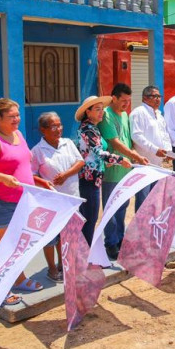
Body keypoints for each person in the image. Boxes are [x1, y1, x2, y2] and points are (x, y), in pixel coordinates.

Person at [0, 98, 52, 306]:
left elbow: (21, 166)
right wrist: (2, 178)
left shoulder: (18, 134)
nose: (17, 119)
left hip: (22, 199)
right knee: (0, 246)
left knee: (18, 244)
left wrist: (38, 180)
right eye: (11, 116)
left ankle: (18, 278)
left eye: (18, 115)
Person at [30, 112, 84, 282]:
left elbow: (80, 161)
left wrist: (66, 175)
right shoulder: (37, 151)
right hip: (51, 201)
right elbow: (30, 175)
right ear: (43, 130)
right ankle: (52, 268)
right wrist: (44, 183)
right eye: (53, 126)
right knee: (50, 237)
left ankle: (63, 264)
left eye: (59, 125)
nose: (58, 129)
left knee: (67, 234)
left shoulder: (67, 143)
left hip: (71, 197)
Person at [99, 83, 149, 260]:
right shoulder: (106, 115)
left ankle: (120, 238)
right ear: (114, 98)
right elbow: (115, 142)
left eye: (129, 101)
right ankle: (110, 243)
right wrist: (134, 155)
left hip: (126, 170)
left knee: (122, 207)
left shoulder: (125, 116)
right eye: (123, 100)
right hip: (112, 170)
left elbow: (128, 140)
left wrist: (136, 155)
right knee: (111, 208)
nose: (127, 104)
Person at [76, 95, 131, 248]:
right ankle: (85, 255)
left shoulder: (93, 128)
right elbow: (99, 153)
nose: (102, 113)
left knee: (91, 217)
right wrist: (120, 160)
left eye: (102, 109)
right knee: (89, 218)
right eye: (97, 110)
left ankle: (87, 253)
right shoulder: (88, 129)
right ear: (88, 112)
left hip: (95, 178)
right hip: (88, 179)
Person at [130, 84, 172, 204]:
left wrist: (168, 150)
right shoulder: (138, 113)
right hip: (144, 164)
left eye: (159, 96)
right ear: (144, 98)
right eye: (154, 96)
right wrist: (155, 149)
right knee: (144, 200)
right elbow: (136, 136)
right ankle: (141, 223)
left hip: (158, 164)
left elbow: (164, 134)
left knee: (155, 200)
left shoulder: (159, 114)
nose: (158, 99)